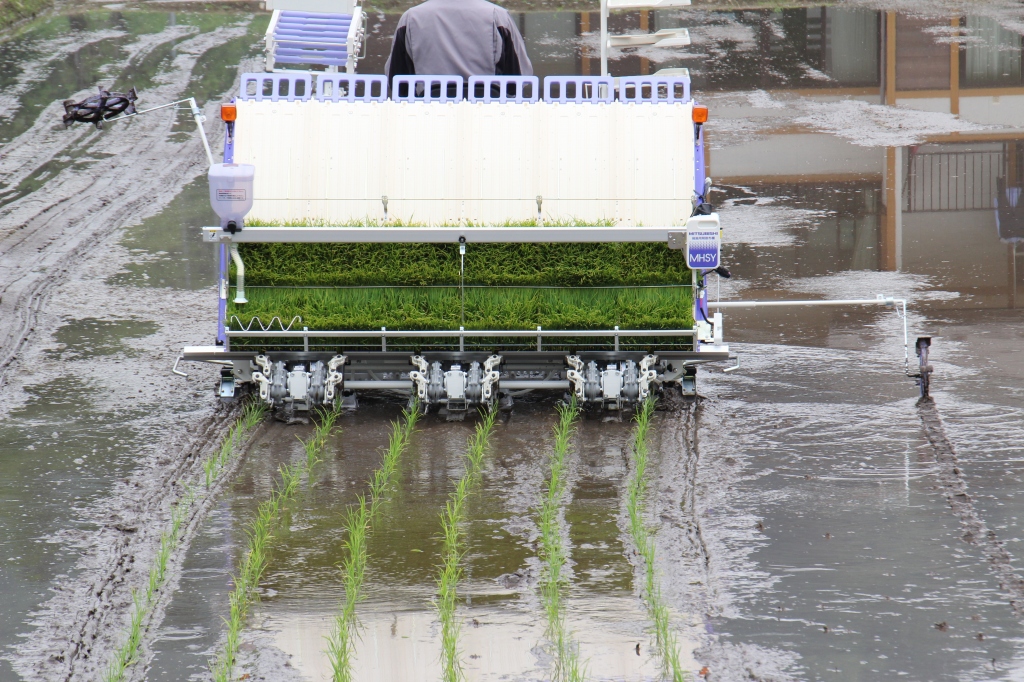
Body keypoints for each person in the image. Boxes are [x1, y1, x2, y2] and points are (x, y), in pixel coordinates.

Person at [385, 0, 533, 88]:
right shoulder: (498, 16)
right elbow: (520, 78)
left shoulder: (411, 17)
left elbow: (395, 79)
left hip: (429, 113)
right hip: (488, 112)